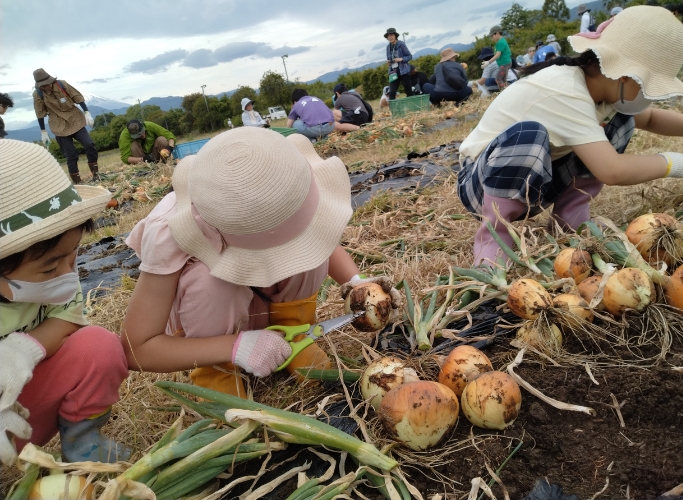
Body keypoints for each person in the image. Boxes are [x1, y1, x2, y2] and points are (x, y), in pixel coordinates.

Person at [120, 128, 401, 398]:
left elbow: (323, 244)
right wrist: (235, 347)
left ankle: (294, 337)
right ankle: (216, 373)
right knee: (209, 281)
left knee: (311, 255)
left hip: (267, 306)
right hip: (212, 327)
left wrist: (357, 284)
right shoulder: (172, 230)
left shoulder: (284, 183)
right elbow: (137, 349)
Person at [456, 6, 683, 267]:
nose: (649, 96)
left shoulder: (603, 92)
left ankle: (569, 219)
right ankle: (494, 238)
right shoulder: (566, 91)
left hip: (535, 179)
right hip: (482, 184)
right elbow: (612, 170)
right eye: (650, 87)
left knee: (621, 122)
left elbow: (650, 118)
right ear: (627, 76)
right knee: (529, 135)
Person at [0, 140, 130, 465]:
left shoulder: (58, 277)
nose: (66, 274)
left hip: (25, 411)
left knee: (98, 347)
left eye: (72, 259)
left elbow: (68, 319)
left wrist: (21, 351)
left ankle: (82, 441)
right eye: (49, 267)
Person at [32, 69, 100, 184]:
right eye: (43, 86)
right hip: (58, 125)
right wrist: (43, 131)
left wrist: (86, 112)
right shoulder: (38, 94)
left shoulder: (62, 84)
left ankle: (96, 175)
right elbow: (40, 113)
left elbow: (77, 97)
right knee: (71, 155)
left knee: (89, 144)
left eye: (47, 84)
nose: (46, 87)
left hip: (75, 119)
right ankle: (78, 183)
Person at [384, 28, 414, 100]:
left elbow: (409, 56)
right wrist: (389, 62)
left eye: (391, 35)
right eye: (388, 36)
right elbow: (389, 58)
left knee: (408, 90)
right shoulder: (388, 47)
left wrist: (401, 59)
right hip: (393, 71)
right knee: (392, 92)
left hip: (403, 70)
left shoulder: (401, 44)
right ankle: (393, 110)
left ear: (395, 36)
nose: (390, 37)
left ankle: (412, 107)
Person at [482, 26, 512, 90]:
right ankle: (507, 89)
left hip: (504, 64)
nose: (492, 38)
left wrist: (489, 62)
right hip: (506, 63)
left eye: (492, 36)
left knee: (498, 79)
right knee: (503, 79)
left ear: (497, 33)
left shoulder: (500, 42)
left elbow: (497, 55)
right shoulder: (502, 41)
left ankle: (503, 91)